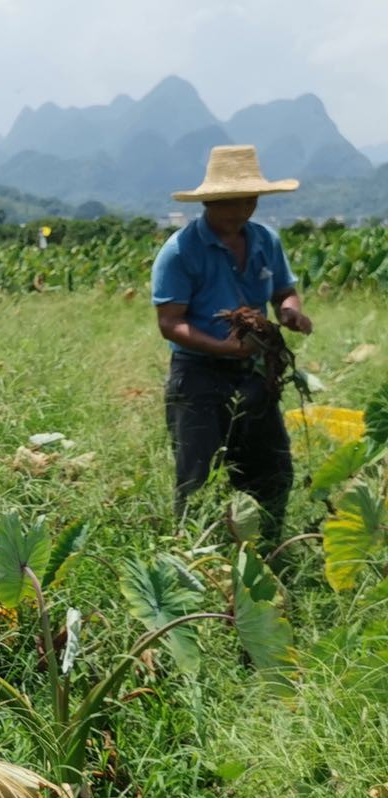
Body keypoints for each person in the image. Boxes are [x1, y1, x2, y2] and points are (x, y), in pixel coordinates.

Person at [151, 144, 313, 543]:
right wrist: (225, 348)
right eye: (228, 203)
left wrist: (290, 311)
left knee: (272, 471)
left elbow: (284, 290)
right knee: (197, 478)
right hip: (198, 376)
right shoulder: (180, 251)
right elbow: (170, 324)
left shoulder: (265, 241)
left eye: (247, 201)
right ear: (208, 201)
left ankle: (268, 548)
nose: (238, 211)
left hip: (254, 374)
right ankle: (196, 556)